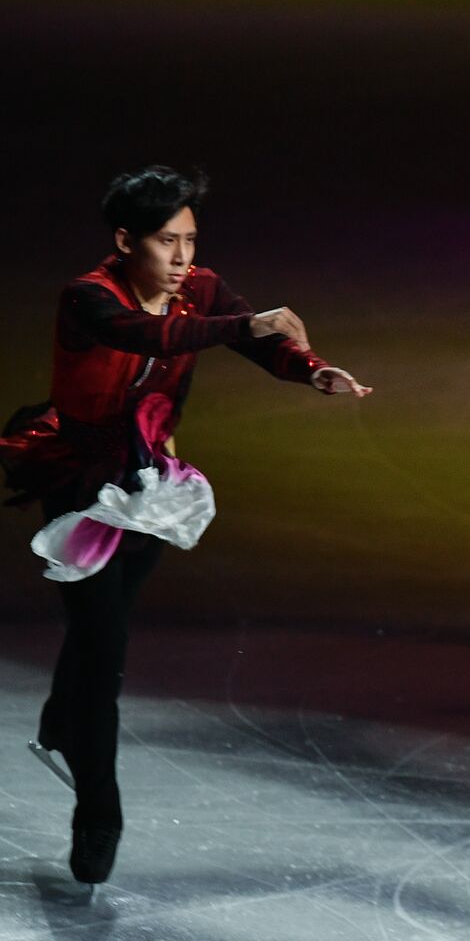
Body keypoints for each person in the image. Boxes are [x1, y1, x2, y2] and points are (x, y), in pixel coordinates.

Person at [0, 166, 371, 886]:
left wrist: (311, 369)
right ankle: (97, 813)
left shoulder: (200, 285)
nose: (180, 260)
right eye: (166, 242)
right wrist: (247, 321)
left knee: (98, 627)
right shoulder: (88, 297)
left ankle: (57, 714)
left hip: (153, 485)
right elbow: (153, 336)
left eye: (190, 241)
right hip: (80, 486)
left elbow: (262, 345)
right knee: (103, 649)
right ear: (124, 241)